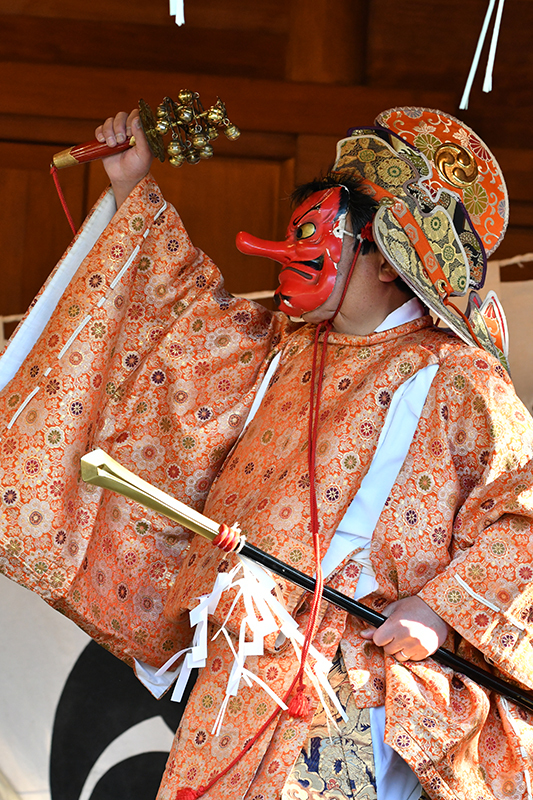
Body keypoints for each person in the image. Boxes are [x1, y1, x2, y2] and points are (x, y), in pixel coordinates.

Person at [0, 106, 532, 800]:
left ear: (384, 255)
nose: (292, 250)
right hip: (249, 659)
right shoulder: (281, 354)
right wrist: (134, 185)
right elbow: (182, 316)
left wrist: (437, 612)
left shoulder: (457, 375)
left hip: (354, 670)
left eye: (314, 234)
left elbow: (523, 514)